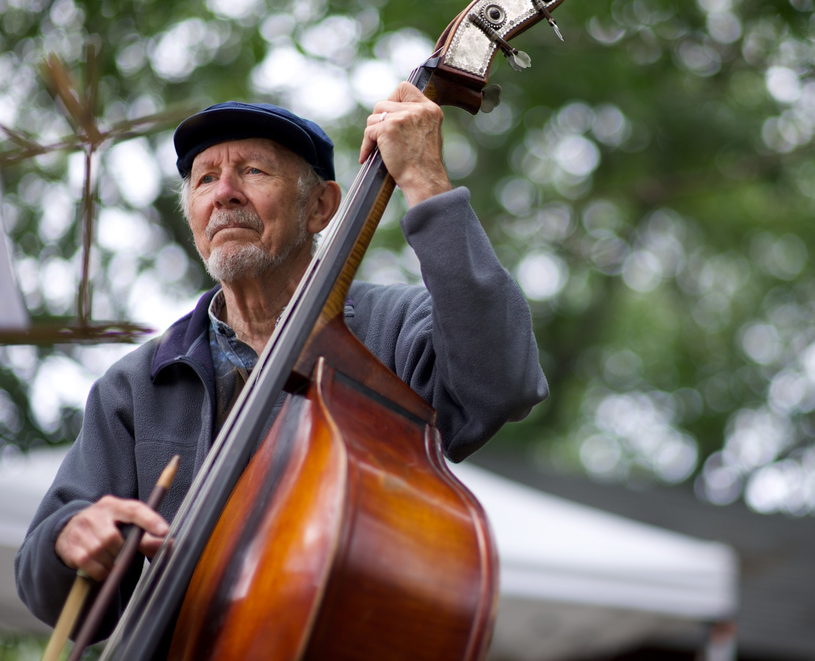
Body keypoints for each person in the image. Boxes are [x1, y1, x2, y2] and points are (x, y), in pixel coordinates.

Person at [15, 82, 548, 637]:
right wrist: (70, 537)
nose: (223, 193)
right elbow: (42, 585)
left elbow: (502, 382)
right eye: (204, 179)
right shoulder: (134, 386)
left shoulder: (394, 327)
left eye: (253, 172)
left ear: (320, 208)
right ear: (194, 217)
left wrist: (425, 182)